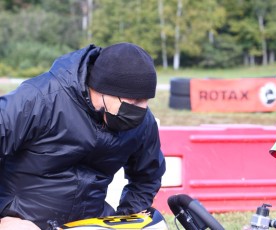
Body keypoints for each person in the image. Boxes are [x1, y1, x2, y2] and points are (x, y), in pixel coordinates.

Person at [0, 42, 166, 229]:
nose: (141, 109)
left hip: (90, 221)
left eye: (146, 100)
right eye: (134, 100)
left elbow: (148, 177)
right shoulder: (39, 99)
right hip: (20, 220)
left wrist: (125, 218)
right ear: (105, 89)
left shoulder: (143, 122)